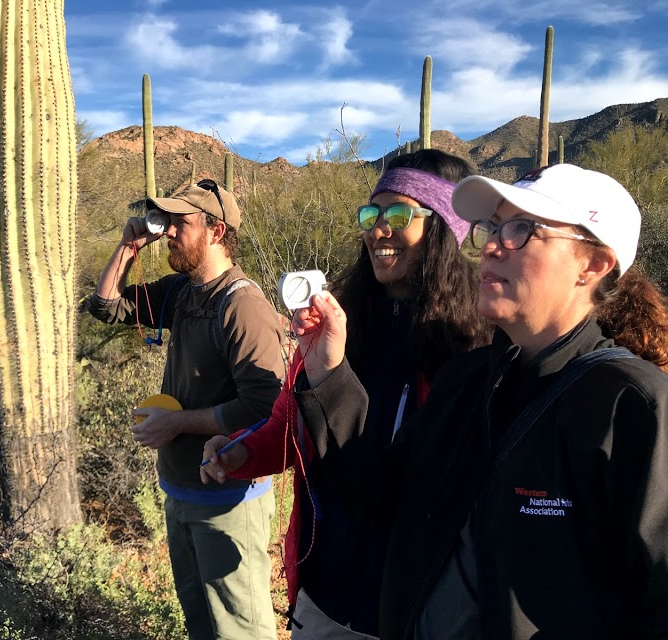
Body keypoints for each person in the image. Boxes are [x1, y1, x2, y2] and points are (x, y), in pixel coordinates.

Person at [286, 163, 668, 639]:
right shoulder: (466, 383)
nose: (489, 245)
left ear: (592, 265)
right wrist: (328, 371)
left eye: (522, 229)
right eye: (491, 227)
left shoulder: (633, 408)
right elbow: (380, 491)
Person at [200, 149, 491, 638]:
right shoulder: (338, 322)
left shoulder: (471, 345)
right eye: (371, 215)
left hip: (413, 606)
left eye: (399, 215)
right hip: (323, 593)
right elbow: (290, 426)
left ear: (443, 228)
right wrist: (240, 452)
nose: (379, 230)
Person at [88, 179, 285, 640]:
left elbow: (265, 408)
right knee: (202, 627)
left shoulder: (242, 306)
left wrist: (177, 423)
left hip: (229, 504)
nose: (170, 232)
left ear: (216, 231)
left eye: (181, 222)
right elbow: (106, 306)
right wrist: (128, 247)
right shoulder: (182, 291)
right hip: (181, 493)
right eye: (168, 221)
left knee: (239, 632)